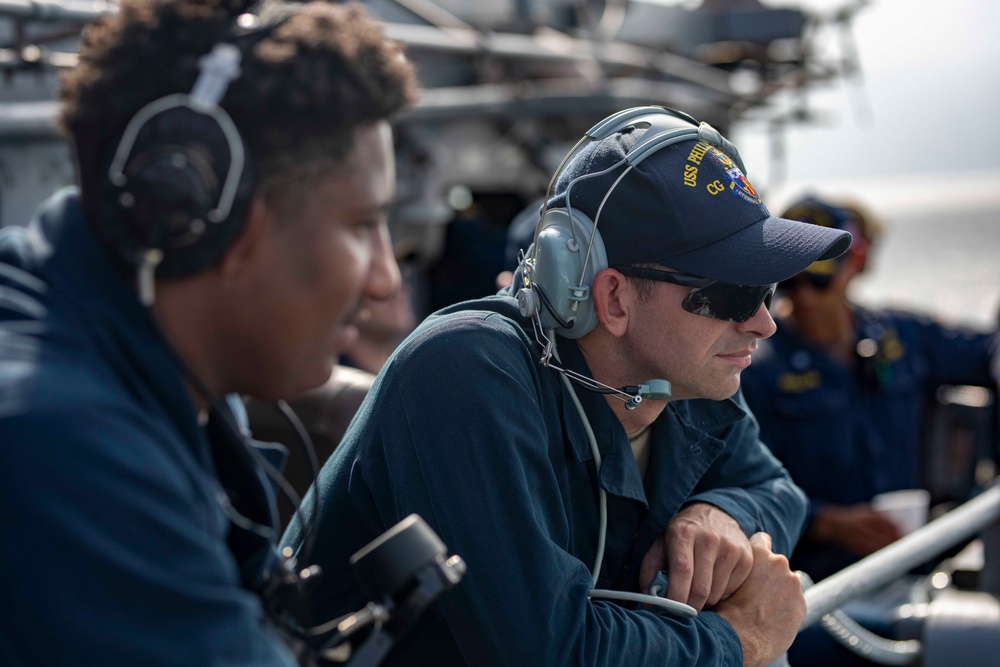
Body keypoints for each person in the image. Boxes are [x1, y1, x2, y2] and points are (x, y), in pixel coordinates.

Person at [283, 106, 854, 666]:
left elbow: (774, 488)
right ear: (611, 299)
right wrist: (742, 640)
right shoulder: (464, 369)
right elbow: (551, 651)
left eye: (767, 288)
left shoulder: (690, 373)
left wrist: (719, 514)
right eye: (730, 296)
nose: (763, 322)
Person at [0, 0, 417, 664]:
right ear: (204, 215)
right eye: (362, 225)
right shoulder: (61, 442)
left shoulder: (173, 366)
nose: (385, 278)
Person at [740, 195, 1000, 585]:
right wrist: (824, 522)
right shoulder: (750, 368)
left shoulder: (905, 335)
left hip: (919, 570)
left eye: (820, 278)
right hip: (821, 584)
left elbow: (985, 350)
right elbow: (737, 481)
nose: (805, 295)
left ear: (855, 265)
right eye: (790, 281)